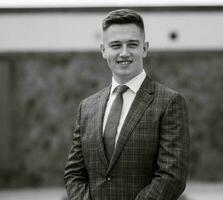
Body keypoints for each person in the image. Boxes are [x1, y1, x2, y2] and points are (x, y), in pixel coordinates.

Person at [64, 9, 189, 200]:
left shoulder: (169, 102)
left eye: (132, 44)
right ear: (103, 50)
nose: (124, 53)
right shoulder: (87, 108)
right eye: (115, 45)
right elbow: (74, 174)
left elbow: (172, 176)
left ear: (144, 48)